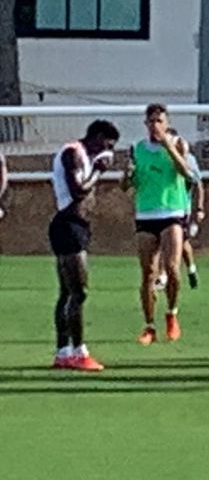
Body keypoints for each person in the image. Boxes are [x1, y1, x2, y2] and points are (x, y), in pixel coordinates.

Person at [49, 120, 120, 371]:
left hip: (75, 226)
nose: (106, 150)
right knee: (79, 292)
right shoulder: (73, 153)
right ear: (97, 137)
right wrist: (99, 171)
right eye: (106, 144)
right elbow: (78, 190)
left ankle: (63, 351)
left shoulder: (82, 156)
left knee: (67, 292)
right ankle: (78, 351)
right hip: (69, 225)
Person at [123, 103, 196, 344]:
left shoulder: (178, 144)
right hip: (146, 214)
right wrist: (127, 175)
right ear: (145, 124)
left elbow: (188, 175)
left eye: (159, 121)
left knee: (173, 269)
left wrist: (169, 148)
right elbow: (126, 186)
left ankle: (172, 314)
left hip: (172, 212)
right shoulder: (136, 149)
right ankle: (149, 326)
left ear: (167, 123)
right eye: (151, 121)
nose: (155, 125)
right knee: (147, 273)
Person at [178, 146, 203, 290]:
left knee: (181, 241)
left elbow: (198, 184)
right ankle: (162, 276)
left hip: (182, 208)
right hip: (162, 208)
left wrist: (199, 209)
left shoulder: (189, 159)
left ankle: (191, 268)